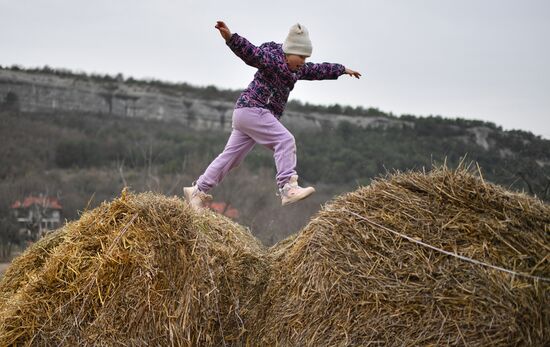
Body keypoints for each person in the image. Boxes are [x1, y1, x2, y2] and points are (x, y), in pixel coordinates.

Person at [184, 21, 361, 210]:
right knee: (285, 140)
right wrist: (231, 38)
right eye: (300, 55)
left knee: (231, 158)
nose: (303, 61)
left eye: (306, 57)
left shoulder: (298, 69)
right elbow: (251, 53)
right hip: (255, 109)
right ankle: (287, 187)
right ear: (288, 52)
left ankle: (198, 191)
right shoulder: (272, 59)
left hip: (245, 113)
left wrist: (341, 70)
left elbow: (318, 70)